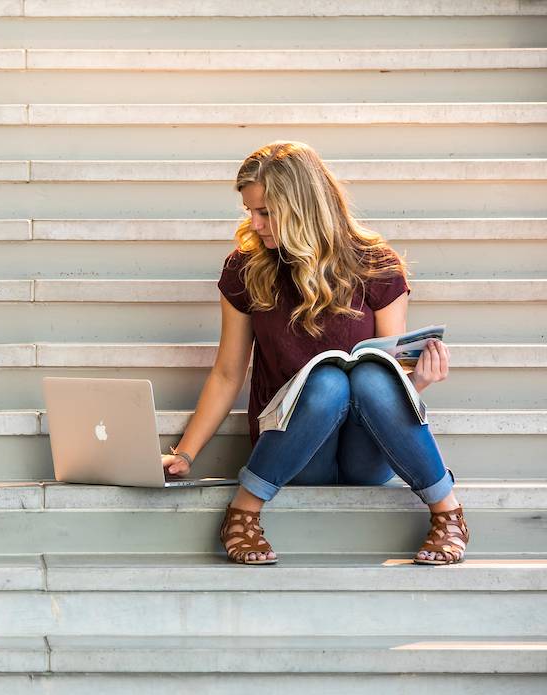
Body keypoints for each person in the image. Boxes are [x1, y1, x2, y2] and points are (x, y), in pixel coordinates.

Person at [160, 140, 469, 566]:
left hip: (369, 452)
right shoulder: (247, 269)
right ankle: (243, 512)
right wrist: (185, 454)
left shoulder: (376, 265)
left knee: (369, 375)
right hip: (296, 446)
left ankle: (448, 513)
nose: (256, 223)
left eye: (266, 212)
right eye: (250, 211)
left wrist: (419, 380)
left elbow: (391, 373)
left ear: (303, 208)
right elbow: (228, 373)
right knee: (326, 383)